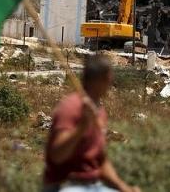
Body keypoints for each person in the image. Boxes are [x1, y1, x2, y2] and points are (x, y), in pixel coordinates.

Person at [43, 54, 139, 192]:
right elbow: (57, 155)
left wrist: (124, 188)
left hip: (94, 185)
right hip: (67, 185)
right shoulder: (70, 107)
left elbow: (100, 160)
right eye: (108, 77)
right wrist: (81, 127)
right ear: (100, 79)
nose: (111, 81)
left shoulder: (99, 111)